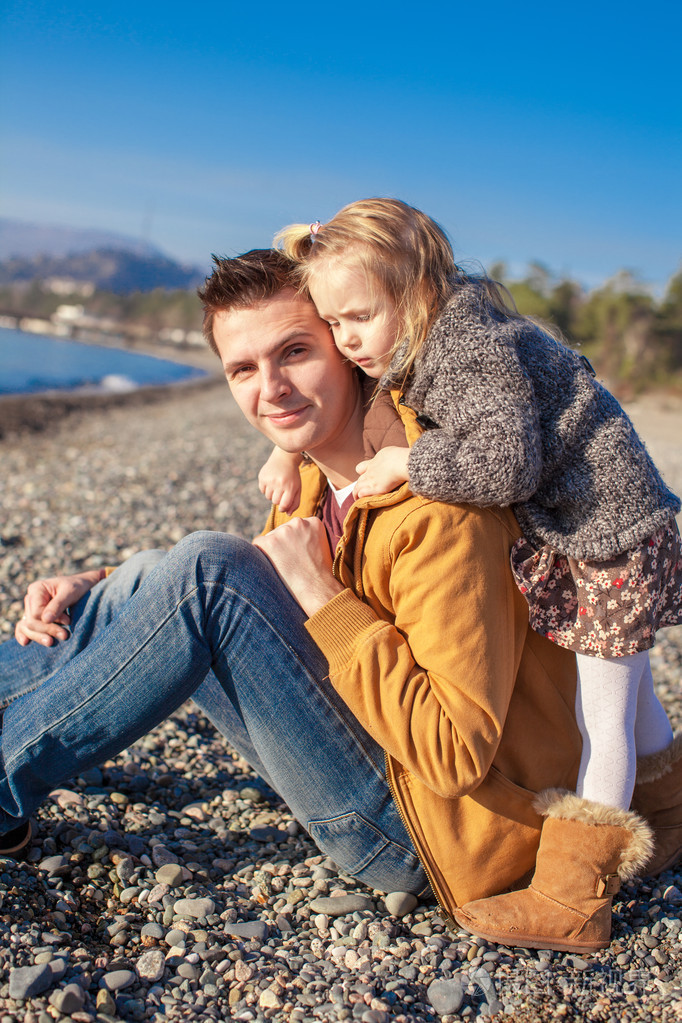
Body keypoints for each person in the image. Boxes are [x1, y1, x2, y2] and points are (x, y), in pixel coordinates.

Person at [0, 249, 660, 954]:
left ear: (351, 350)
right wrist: (94, 585)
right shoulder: (315, 476)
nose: (271, 388)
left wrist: (322, 594)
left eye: (294, 352)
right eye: (243, 369)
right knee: (158, 572)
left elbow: (454, 756)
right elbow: (228, 600)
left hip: (429, 829)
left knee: (207, 569)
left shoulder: (443, 514)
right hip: (368, 751)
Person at [261, 199, 682, 949]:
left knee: (604, 715)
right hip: (607, 522)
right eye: (333, 324)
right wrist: (288, 449)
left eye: (358, 316)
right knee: (638, 689)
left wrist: (405, 462)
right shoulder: (440, 331)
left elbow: (503, 462)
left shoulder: (466, 346)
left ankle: (576, 896)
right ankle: (671, 823)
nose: (347, 339)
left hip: (606, 536)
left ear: (417, 288)